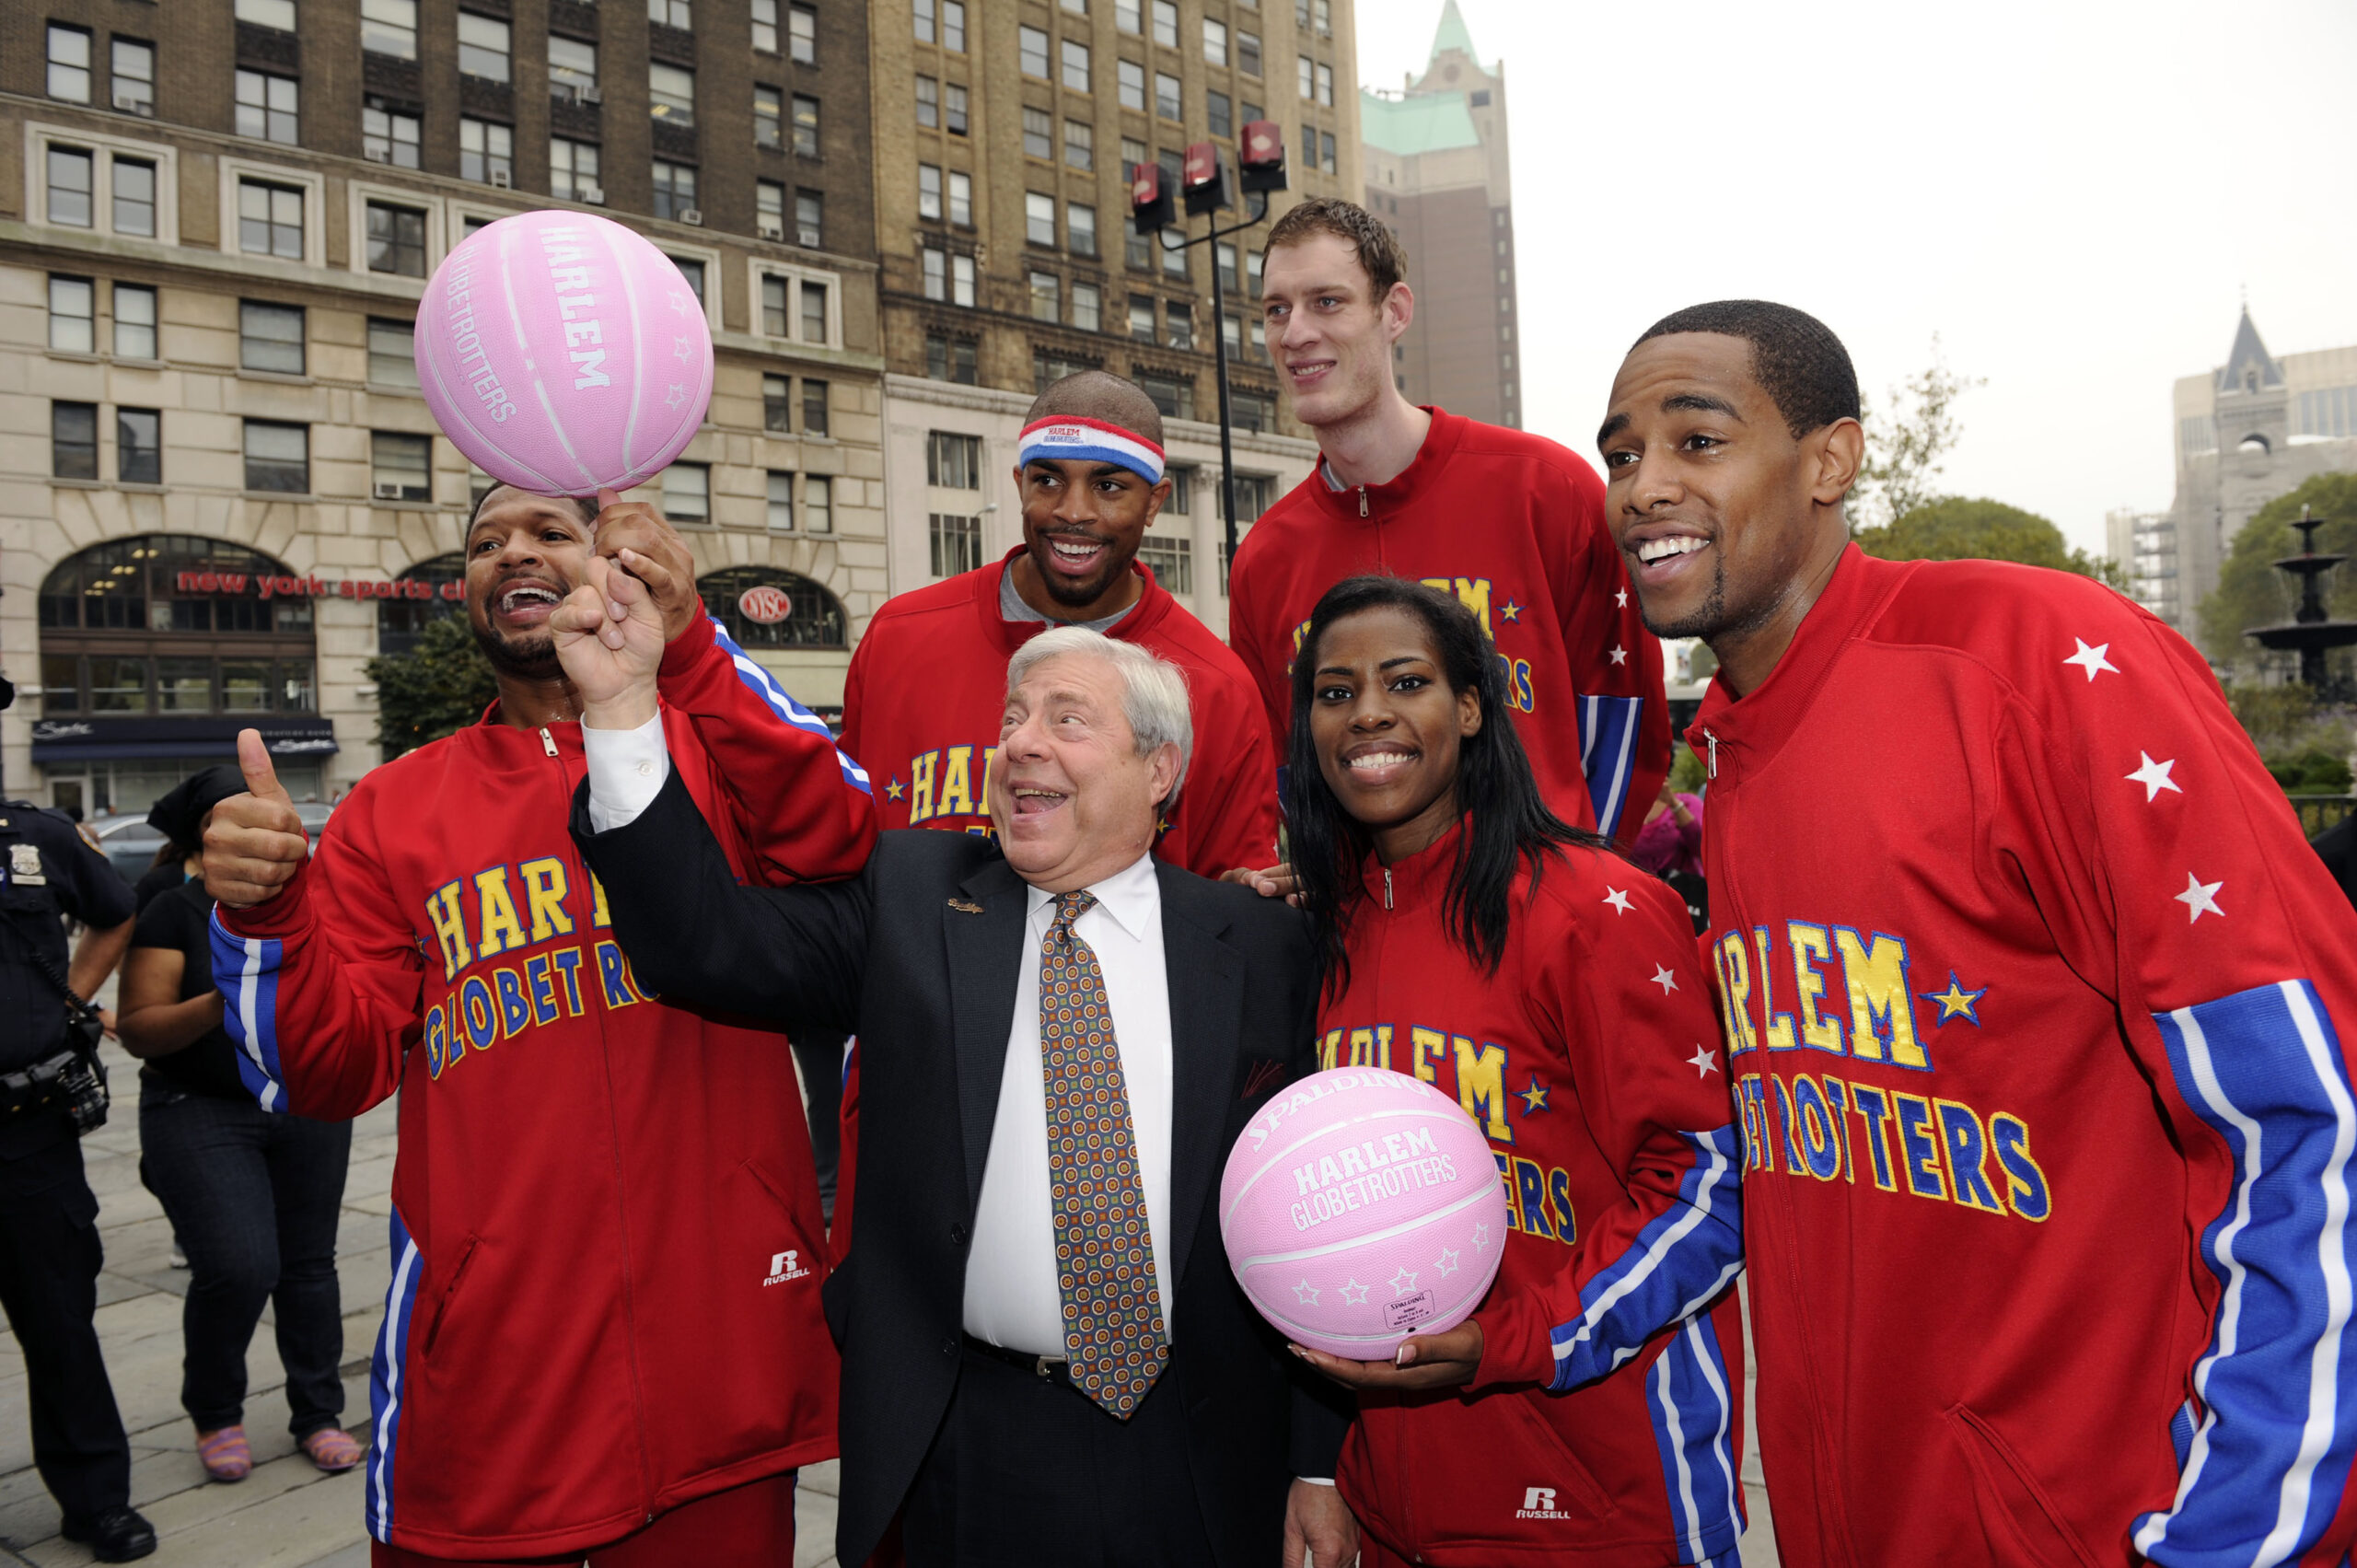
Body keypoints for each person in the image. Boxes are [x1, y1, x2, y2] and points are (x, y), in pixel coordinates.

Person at [1600, 298, 2357, 1565]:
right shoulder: (1728, 762)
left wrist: (2239, 1530)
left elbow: (2314, 1112)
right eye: (1623, 454)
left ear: (1831, 460)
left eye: (1697, 438)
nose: (1644, 486)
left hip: (2119, 1517)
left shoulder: (2033, 657)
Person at [558, 593, 1356, 1568]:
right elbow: (703, 943)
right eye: (1011, 718)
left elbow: (1318, 1220)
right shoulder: (912, 900)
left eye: (1066, 718)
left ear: (1160, 769)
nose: (1020, 742)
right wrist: (622, 707)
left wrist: (1318, 1462)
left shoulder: (1265, 945)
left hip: (1200, 1447)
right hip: (971, 1443)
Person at [202, 484, 877, 1564]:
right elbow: (322, 1072)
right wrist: (266, 913)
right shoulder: (393, 807)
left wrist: (692, 646)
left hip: (724, 1365)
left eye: (548, 531)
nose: (509, 552)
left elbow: (845, 832)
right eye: (483, 542)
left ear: (611, 557)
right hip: (493, 1378)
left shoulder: (711, 751)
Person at [1274, 577, 1746, 1567]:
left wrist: (1517, 1337)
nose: (1366, 712)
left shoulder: (1596, 911)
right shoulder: (1327, 926)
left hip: (1595, 1498)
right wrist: (1325, 1467)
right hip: (1398, 1499)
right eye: (1334, 690)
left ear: (1473, 707)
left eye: (1406, 681)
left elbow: (1708, 1192)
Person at [1230, 196, 1666, 842]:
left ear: (1394, 311)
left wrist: (1577, 880)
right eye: (1276, 310)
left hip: (1546, 914)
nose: (1295, 333)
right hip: (1372, 929)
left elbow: (1624, 718)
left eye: (1327, 301)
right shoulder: (1266, 556)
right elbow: (1286, 772)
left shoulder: (1545, 488)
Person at [840, 371, 1277, 877]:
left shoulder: (1218, 688)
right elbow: (840, 846)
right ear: (1018, 484)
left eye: (1108, 486)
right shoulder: (900, 636)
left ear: (1155, 502)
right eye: (1047, 480)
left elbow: (1230, 904)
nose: (1073, 511)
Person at [122, 766, 361, 1485]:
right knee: (239, 1265)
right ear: (210, 836)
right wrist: (224, 1001)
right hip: (199, 1107)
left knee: (309, 1266)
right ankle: (216, 1411)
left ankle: (318, 1412)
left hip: (306, 1103)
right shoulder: (173, 909)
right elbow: (139, 1028)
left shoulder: (318, 901)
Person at [0, 800, 149, 1562]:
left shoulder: (33, 835)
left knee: (60, 1320)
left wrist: (68, 1001)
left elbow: (115, 911)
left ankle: (97, 1501)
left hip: (26, 1128)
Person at [1629, 777, 1703, 879]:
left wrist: (1673, 803)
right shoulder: (1624, 807)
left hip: (1680, 887)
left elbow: (1702, 848)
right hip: (1637, 885)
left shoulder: (1689, 802)